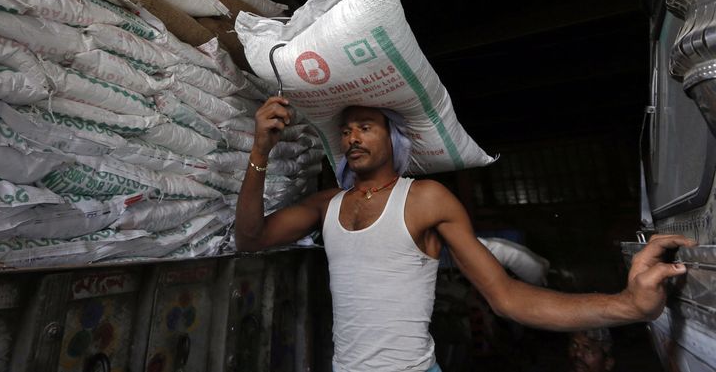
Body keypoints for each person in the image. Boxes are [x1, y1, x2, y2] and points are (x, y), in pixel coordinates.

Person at [235, 97, 695, 372]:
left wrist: (629, 305)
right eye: (347, 130)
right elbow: (250, 238)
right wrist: (260, 149)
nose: (353, 137)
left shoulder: (426, 199)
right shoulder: (328, 204)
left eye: (366, 127)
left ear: (393, 138)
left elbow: (507, 296)